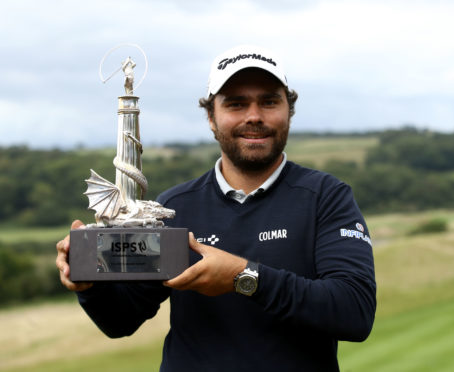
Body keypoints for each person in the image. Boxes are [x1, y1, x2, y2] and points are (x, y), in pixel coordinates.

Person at [56, 45, 376, 372]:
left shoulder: (326, 197)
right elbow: (121, 320)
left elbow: (354, 312)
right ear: (211, 117)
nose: (254, 116)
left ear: (288, 111)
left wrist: (243, 276)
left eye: (269, 101)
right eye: (236, 104)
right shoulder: (173, 208)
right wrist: (89, 284)